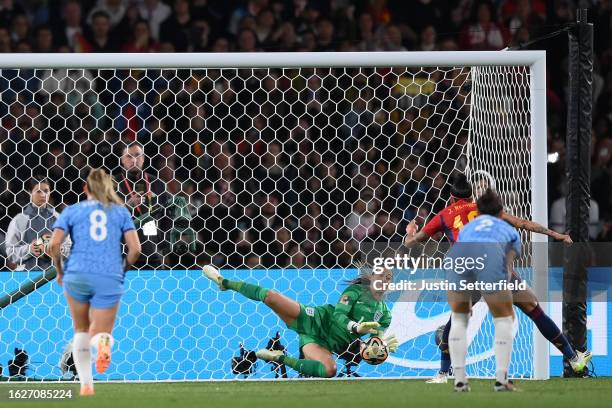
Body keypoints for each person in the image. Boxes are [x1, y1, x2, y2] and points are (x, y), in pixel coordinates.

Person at [404, 173, 591, 383]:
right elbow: (522, 223)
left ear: (452, 198)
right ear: (471, 196)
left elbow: (411, 243)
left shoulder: (443, 215)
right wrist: (556, 235)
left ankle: (443, 372)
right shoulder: (485, 211)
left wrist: (410, 231)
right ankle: (573, 358)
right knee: (535, 311)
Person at [202, 264, 398, 377]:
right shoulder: (355, 292)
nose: (385, 279)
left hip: (321, 343)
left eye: (389, 277)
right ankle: (224, 282)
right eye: (381, 275)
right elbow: (339, 315)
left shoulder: (385, 315)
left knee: (330, 370)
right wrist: (355, 327)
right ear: (371, 277)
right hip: (314, 319)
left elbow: (373, 347)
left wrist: (382, 348)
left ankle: (278, 357)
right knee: (271, 297)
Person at [49, 169, 141, 396]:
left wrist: (60, 271)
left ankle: (86, 385)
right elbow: (136, 250)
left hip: (77, 274)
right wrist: (122, 270)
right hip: (108, 274)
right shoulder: (120, 212)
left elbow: (53, 246)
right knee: (103, 330)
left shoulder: (71, 211)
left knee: (80, 330)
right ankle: (104, 344)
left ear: (85, 189)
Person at [445, 189, 518, 391]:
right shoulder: (507, 229)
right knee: (504, 320)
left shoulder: (468, 227)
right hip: (490, 266)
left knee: (459, 319)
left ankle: (459, 380)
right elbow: (508, 263)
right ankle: (502, 380)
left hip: (459, 264)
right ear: (500, 211)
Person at [116, 141, 168, 269]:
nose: (134, 159)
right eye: (129, 156)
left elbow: (167, 217)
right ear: (122, 160)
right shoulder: (112, 184)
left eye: (138, 155)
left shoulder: (157, 183)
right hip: (123, 254)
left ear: (144, 158)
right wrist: (127, 206)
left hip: (153, 252)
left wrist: (164, 246)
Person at [5, 176, 70, 271]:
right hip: (28, 276)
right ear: (29, 192)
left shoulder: (59, 218)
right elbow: (10, 253)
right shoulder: (19, 220)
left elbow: (70, 248)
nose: (43, 195)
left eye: (46, 191)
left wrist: (61, 250)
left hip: (54, 276)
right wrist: (30, 249)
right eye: (38, 191)